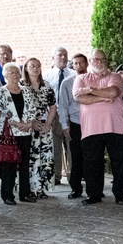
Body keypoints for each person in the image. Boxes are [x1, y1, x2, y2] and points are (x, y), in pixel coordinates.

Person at [73, 49, 123, 205]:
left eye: (101, 59)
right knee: (92, 163)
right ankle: (94, 194)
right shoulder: (81, 78)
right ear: (90, 61)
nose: (98, 62)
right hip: (91, 128)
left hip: (115, 126)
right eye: (95, 59)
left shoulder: (115, 76)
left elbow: (113, 92)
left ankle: (119, 194)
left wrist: (90, 91)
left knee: (119, 162)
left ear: (106, 61)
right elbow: (78, 97)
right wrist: (101, 97)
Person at [0, 63, 35, 205]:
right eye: (11, 72)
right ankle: (8, 195)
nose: (15, 75)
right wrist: (17, 123)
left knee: (24, 164)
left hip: (25, 132)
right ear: (5, 75)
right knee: (8, 166)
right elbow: (1, 111)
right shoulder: (0, 91)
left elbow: (32, 109)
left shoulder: (26, 90)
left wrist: (28, 123)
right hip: (9, 134)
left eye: (17, 72)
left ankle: (25, 193)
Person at [21, 58, 57, 199]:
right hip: (28, 127)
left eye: (38, 66)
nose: (35, 68)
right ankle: (28, 188)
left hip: (44, 126)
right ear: (26, 68)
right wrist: (32, 122)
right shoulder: (21, 85)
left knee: (44, 158)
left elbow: (53, 107)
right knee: (30, 158)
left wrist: (48, 124)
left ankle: (41, 188)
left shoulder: (46, 86)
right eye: (32, 66)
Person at [58, 53, 88, 199]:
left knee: (92, 157)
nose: (79, 66)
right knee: (76, 158)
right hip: (76, 123)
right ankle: (76, 188)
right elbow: (62, 106)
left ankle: (94, 188)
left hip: (92, 124)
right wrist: (64, 125)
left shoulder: (93, 80)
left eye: (81, 63)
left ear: (87, 64)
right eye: (76, 63)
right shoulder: (67, 83)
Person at [45, 47, 75, 186]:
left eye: (65, 55)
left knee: (71, 145)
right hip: (54, 114)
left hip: (69, 114)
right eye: (59, 55)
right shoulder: (46, 76)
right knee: (55, 146)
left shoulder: (73, 75)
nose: (63, 57)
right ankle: (56, 175)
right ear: (53, 58)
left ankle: (72, 175)